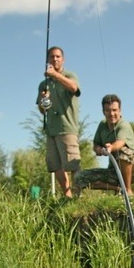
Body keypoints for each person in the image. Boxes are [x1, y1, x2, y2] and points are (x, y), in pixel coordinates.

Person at [74, 94, 134, 196]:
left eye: (115, 110)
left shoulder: (124, 125)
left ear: (120, 110)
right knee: (78, 177)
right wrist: (98, 149)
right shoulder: (102, 125)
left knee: (123, 152)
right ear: (103, 112)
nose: (111, 113)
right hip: (114, 171)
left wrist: (111, 147)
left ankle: (128, 191)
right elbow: (96, 144)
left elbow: (120, 143)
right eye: (108, 110)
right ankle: (118, 189)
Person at [37, 46, 81, 198]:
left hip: (67, 127)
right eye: (51, 57)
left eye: (57, 57)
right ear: (47, 60)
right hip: (51, 130)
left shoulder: (69, 75)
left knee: (73, 164)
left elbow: (74, 87)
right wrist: (44, 101)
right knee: (55, 166)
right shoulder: (44, 84)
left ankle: (78, 195)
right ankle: (67, 196)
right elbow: (42, 109)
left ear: (63, 59)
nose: (54, 59)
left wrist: (55, 75)